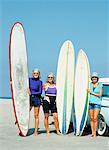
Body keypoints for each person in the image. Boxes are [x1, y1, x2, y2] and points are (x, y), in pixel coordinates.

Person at [88, 72, 103, 138]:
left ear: (97, 78)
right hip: (90, 103)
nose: (94, 78)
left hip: (97, 103)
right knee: (91, 118)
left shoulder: (100, 85)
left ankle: (95, 133)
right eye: (93, 77)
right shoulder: (89, 84)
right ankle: (92, 132)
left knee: (95, 118)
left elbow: (100, 94)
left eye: (95, 77)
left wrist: (91, 92)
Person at [29, 68, 42, 136]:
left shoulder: (40, 82)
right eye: (34, 73)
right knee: (26, 114)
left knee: (36, 116)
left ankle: (36, 131)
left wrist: (31, 92)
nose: (35, 74)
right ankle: (23, 128)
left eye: (37, 73)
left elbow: (40, 92)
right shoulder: (29, 80)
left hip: (37, 99)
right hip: (29, 99)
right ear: (32, 74)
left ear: (39, 74)